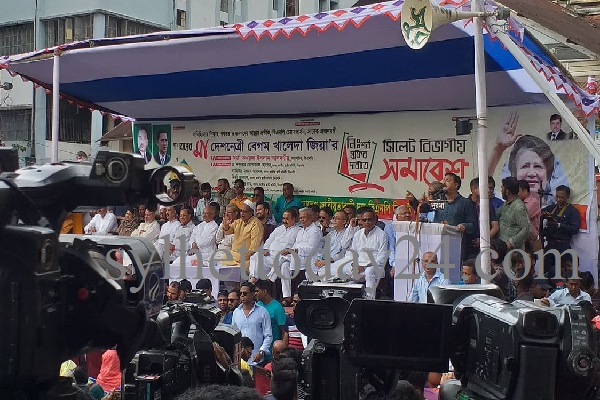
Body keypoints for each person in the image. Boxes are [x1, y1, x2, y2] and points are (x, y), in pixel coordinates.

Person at [488, 111, 569, 207]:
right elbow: (480, 185)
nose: (532, 173)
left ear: (547, 173)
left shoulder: (554, 206)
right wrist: (498, 148)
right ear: (514, 171)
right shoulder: (503, 202)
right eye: (525, 166)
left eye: (537, 166)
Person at [231, 282, 273, 365]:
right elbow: (233, 335)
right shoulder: (236, 312)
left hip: (257, 359)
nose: (242, 295)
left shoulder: (262, 312)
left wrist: (261, 352)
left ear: (253, 294)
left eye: (245, 293)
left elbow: (268, 335)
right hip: (240, 360)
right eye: (240, 293)